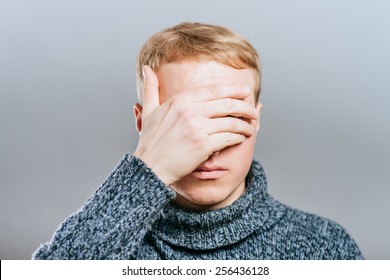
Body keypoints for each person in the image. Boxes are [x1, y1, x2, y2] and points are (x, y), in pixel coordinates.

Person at [32, 22, 363, 260]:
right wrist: (148, 166)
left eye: (229, 119)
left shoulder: (323, 248)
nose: (210, 146)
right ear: (143, 123)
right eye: (183, 121)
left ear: (256, 119)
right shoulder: (110, 243)